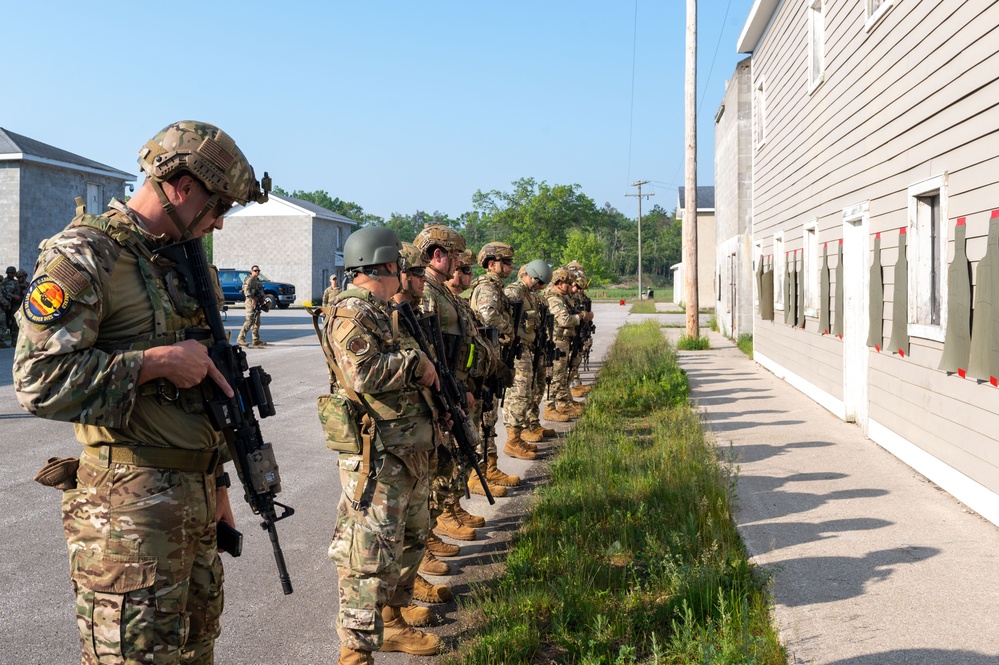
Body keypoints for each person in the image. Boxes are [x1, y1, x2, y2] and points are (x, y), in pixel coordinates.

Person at [12, 120, 268, 664]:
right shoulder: (85, 255)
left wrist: (219, 483)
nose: (218, 223)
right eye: (218, 207)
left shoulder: (178, 262)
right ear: (183, 187)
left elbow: (208, 390)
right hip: (127, 520)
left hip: (191, 507)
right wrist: (154, 363)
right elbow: (38, 381)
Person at [322, 227, 442, 664]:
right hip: (377, 457)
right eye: (399, 267)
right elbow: (363, 374)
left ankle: (391, 623)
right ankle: (354, 653)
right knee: (367, 557)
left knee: (407, 538)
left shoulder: (382, 310)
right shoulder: (353, 311)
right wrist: (416, 364)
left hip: (404, 448)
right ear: (384, 267)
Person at [467, 242, 520, 482]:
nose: (510, 266)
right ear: (491, 264)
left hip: (492, 357)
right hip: (484, 359)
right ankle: (481, 473)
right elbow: (487, 314)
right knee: (484, 416)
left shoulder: (496, 287)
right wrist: (508, 328)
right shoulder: (488, 287)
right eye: (505, 262)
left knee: (490, 415)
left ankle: (490, 467)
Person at [503, 260, 555, 448]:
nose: (540, 288)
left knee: (535, 387)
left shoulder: (531, 294)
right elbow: (505, 319)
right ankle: (513, 438)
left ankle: (530, 424)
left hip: (532, 347)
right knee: (520, 392)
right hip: (518, 348)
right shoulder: (514, 292)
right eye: (539, 283)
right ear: (531, 276)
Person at [542, 268, 593, 422]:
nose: (571, 287)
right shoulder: (554, 299)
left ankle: (564, 403)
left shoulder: (563, 297)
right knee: (555, 376)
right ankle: (550, 408)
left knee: (562, 375)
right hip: (556, 342)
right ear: (559, 283)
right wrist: (582, 316)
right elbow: (564, 320)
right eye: (568, 283)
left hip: (564, 341)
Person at [236, 265, 266, 347]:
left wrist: (263, 296)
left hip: (257, 302)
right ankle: (240, 338)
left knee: (257, 321)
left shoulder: (257, 281)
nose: (257, 272)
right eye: (255, 270)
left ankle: (255, 339)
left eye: (258, 270)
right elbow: (246, 291)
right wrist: (252, 299)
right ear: (251, 271)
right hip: (250, 302)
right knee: (250, 320)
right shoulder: (249, 280)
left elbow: (260, 290)